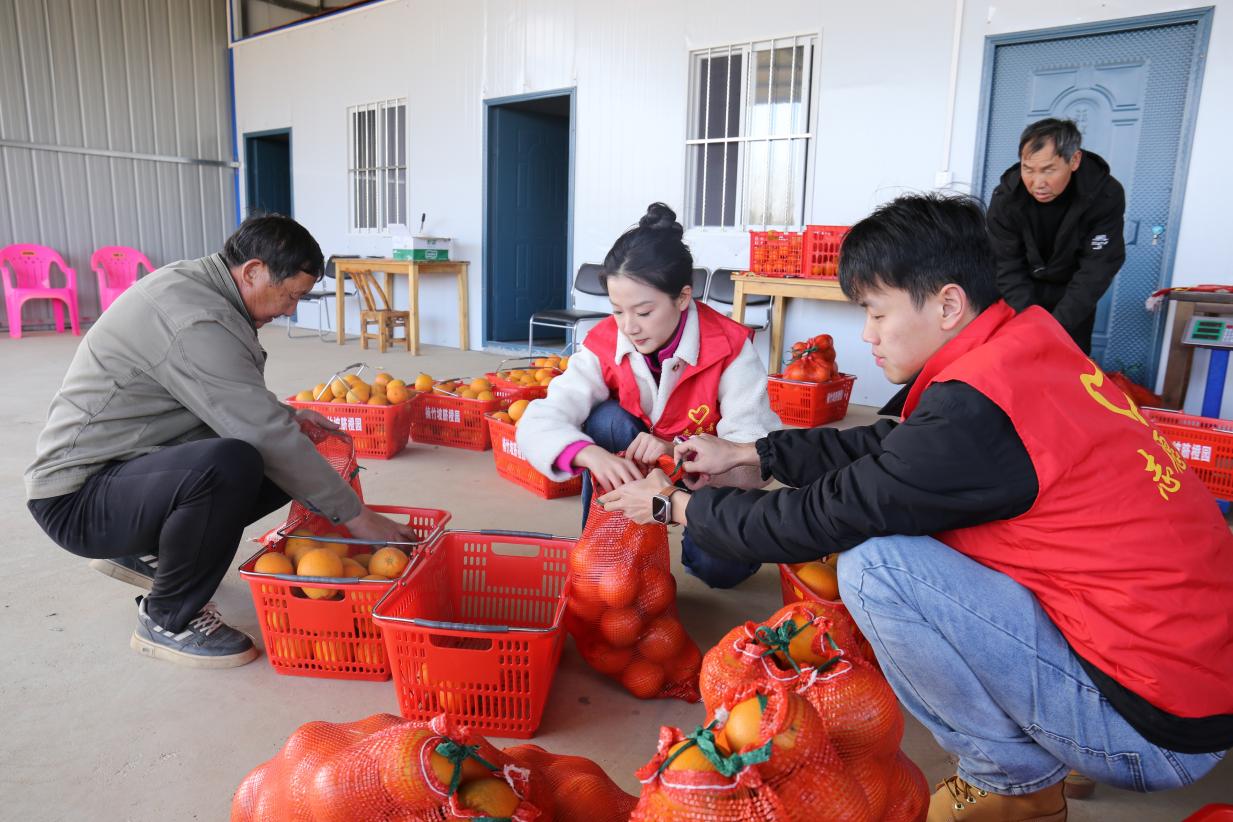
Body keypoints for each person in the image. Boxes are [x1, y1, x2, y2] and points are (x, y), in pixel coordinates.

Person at [599, 194, 1232, 821]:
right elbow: (891, 446)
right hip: (1192, 682)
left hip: (1154, 731)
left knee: (878, 565)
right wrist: (755, 454)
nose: (867, 336)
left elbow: (817, 518)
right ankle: (1045, 757)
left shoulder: (972, 417)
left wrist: (672, 508)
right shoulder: (1024, 347)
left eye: (876, 313)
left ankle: (1015, 785)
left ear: (950, 303)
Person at [26, 214, 419, 669]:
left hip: (126, 472)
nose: (290, 310)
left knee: (284, 456)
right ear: (252, 271)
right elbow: (257, 429)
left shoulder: (202, 288)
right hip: (78, 500)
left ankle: (147, 550)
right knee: (236, 462)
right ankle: (167, 619)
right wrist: (356, 518)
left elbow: (220, 398)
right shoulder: (195, 318)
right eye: (290, 295)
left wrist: (290, 418)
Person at [516, 202, 779, 588]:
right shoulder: (606, 340)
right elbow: (540, 419)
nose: (629, 327)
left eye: (643, 311)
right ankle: (607, 543)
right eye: (618, 310)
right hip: (637, 459)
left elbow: (753, 461)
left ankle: (701, 540)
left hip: (703, 482)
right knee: (605, 420)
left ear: (683, 297)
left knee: (718, 571)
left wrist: (676, 457)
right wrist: (588, 453)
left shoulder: (730, 347)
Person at [987, 117, 1126, 354]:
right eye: (1028, 169)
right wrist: (1030, 321)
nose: (1037, 183)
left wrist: (1058, 325)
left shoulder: (1104, 195)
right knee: (1013, 362)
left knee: (1068, 366)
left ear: (1074, 160)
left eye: (1049, 170)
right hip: (1019, 294)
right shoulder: (1007, 198)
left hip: (1073, 296)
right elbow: (1006, 264)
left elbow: (1098, 267)